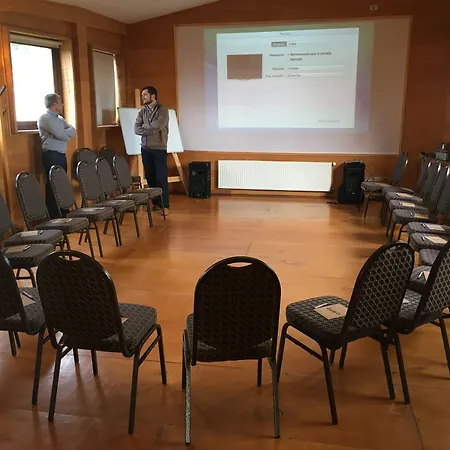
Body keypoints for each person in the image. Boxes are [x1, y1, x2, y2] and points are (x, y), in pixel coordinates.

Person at [37, 93, 76, 218]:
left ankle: (63, 212)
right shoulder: (45, 118)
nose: (62, 105)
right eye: (60, 102)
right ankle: (54, 216)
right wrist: (64, 134)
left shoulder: (59, 119)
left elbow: (73, 130)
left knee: (62, 184)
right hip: (51, 155)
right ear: (54, 104)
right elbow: (61, 136)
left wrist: (63, 133)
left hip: (61, 155)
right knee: (52, 185)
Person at [134, 86, 169, 216]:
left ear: (153, 96)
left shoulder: (162, 110)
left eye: (145, 95)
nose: (142, 97)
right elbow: (136, 129)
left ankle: (165, 206)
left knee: (161, 178)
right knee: (150, 177)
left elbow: (159, 125)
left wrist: (145, 126)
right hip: (145, 148)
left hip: (159, 148)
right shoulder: (142, 112)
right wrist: (150, 129)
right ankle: (156, 203)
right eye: (142, 95)